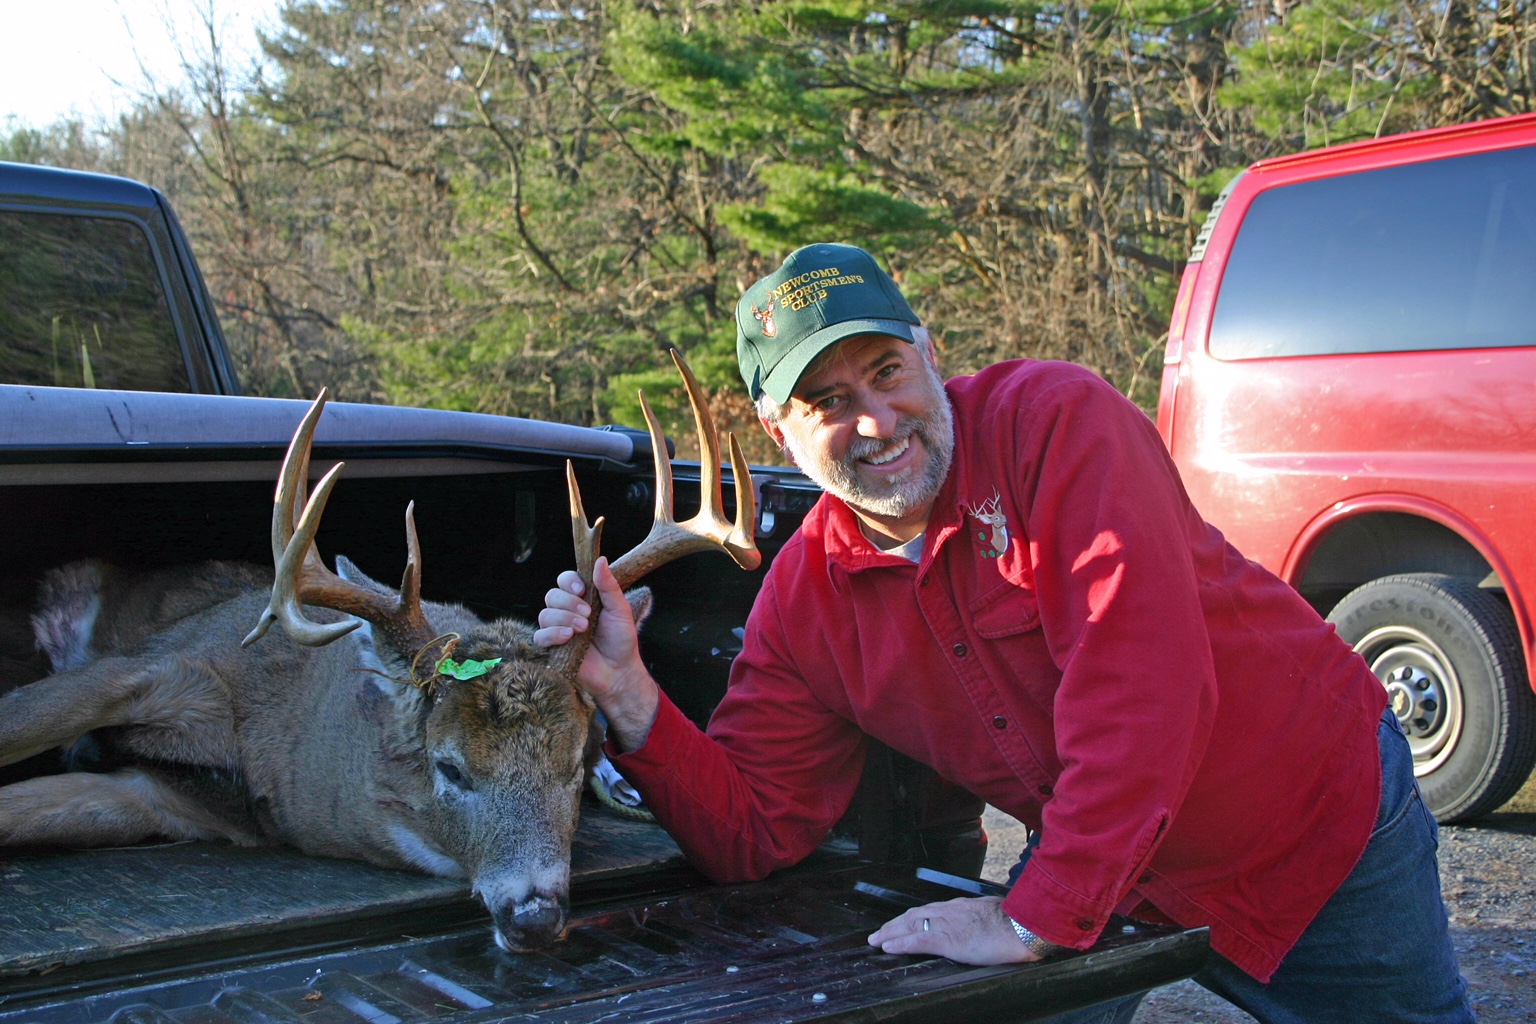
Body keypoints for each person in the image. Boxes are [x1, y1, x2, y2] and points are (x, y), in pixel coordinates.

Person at [536, 243, 1475, 1023]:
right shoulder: (805, 603)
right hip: (1099, 857)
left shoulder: (1057, 426)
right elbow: (754, 831)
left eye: (886, 372)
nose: (874, 420)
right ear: (779, 430)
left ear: (929, 351)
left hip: (1307, 822)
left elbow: (1142, 692)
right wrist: (627, 693)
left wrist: (1033, 922)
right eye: (825, 402)